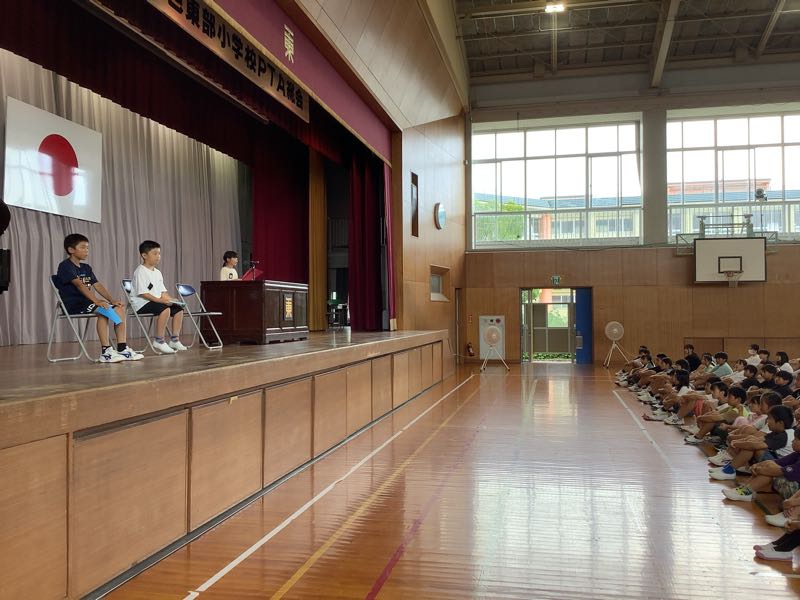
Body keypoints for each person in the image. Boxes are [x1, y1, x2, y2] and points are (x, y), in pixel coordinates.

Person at [54, 234, 143, 363]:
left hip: (88, 303)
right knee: (104, 310)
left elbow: (97, 285)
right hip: (74, 305)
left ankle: (122, 349)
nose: (86, 250)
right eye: (83, 247)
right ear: (71, 250)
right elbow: (79, 285)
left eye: (87, 248)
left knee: (118, 309)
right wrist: (96, 301)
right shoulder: (65, 266)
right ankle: (106, 352)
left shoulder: (86, 268)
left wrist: (111, 300)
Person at [130, 240, 186, 354]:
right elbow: (144, 294)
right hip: (142, 303)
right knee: (165, 309)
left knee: (178, 309)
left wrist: (170, 299)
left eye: (159, 253)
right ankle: (159, 340)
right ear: (144, 255)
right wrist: (162, 301)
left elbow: (162, 292)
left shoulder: (157, 272)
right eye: (155, 253)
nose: (158, 256)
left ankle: (174, 340)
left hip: (155, 301)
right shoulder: (140, 271)